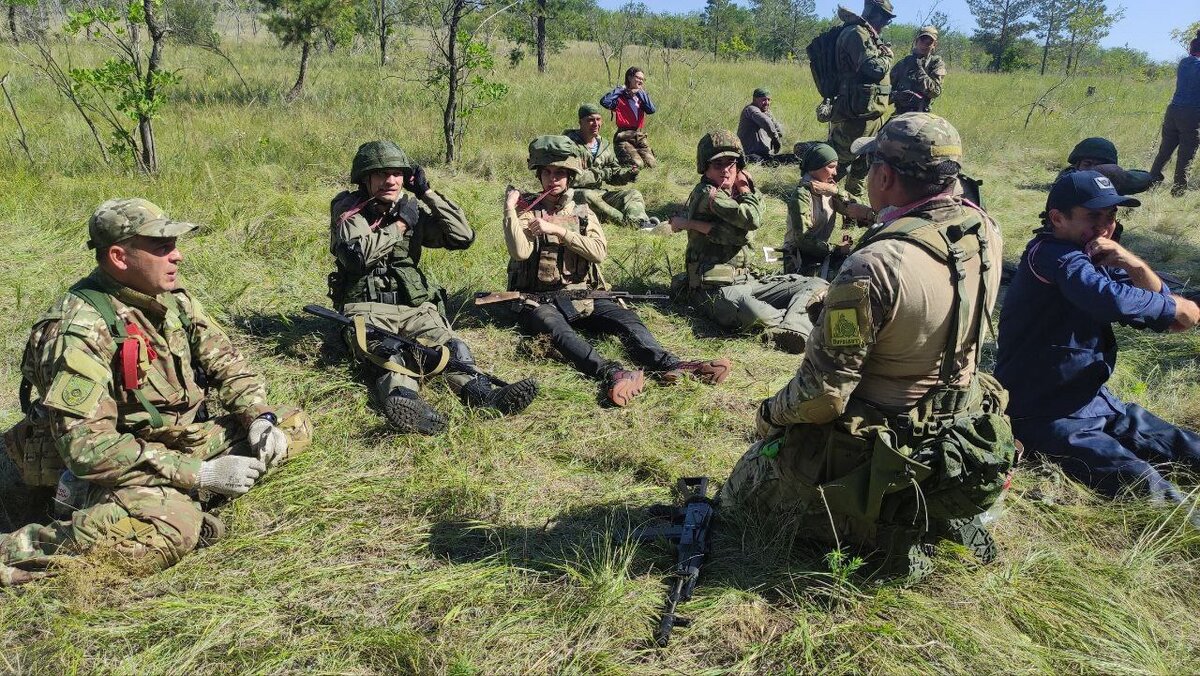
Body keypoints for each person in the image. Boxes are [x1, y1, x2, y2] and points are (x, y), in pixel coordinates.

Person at [720, 114, 1015, 581]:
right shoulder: (984, 229)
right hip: (957, 425)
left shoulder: (876, 265)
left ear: (885, 176)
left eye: (871, 164)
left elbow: (823, 396)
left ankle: (874, 526)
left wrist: (768, 414)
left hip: (883, 448)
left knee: (740, 491)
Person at [0, 198, 313, 587]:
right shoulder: (79, 330)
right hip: (109, 461)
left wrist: (259, 417)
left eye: (174, 245)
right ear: (119, 257)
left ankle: (178, 499)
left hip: (173, 438)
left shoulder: (171, 298)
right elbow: (86, 449)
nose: (177, 256)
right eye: (162, 247)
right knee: (169, 531)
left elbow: (228, 363)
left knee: (290, 425)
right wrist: (201, 473)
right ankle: (19, 549)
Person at [995, 170, 1200, 509]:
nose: (1105, 227)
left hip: (1094, 402)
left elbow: (1155, 306)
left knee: (1188, 448)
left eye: (1111, 216)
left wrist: (1134, 265)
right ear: (1057, 218)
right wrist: (1175, 307)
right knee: (1149, 487)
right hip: (1045, 412)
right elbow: (1108, 299)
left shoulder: (1096, 255)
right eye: (1093, 216)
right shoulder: (1050, 255)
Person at [503, 135, 730, 406]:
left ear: (570, 176)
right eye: (547, 173)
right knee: (556, 330)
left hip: (582, 295)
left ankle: (671, 364)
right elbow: (520, 252)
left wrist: (559, 231)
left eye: (560, 173)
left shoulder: (583, 213)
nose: (553, 179)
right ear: (539, 175)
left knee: (626, 319)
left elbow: (598, 252)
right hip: (539, 300)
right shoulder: (527, 211)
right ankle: (612, 373)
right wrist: (510, 210)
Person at [329, 140, 537, 435]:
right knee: (391, 353)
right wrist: (400, 225)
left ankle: (484, 395)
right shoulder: (350, 209)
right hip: (366, 309)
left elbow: (462, 236)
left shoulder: (408, 209)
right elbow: (356, 257)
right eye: (382, 174)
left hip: (414, 307)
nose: (391, 181)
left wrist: (427, 193)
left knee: (453, 348)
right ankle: (407, 404)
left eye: (397, 174)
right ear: (365, 179)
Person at [670, 130, 828, 355]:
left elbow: (757, 211)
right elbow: (752, 220)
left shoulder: (733, 192)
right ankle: (798, 323)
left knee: (814, 284)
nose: (726, 170)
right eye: (717, 164)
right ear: (705, 167)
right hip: (715, 288)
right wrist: (745, 190)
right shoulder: (708, 194)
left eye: (731, 163)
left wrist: (692, 223)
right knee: (755, 312)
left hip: (748, 279)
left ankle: (792, 327)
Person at [828, 0, 895, 202]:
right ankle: (813, 197)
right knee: (838, 160)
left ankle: (852, 202)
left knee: (865, 159)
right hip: (856, 114)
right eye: (884, 19)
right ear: (874, 13)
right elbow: (873, 69)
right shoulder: (856, 33)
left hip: (869, 112)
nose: (885, 24)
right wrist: (888, 58)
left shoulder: (867, 34)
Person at [782, 142, 876, 278]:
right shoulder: (802, 196)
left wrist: (836, 191)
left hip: (821, 257)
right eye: (831, 167)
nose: (835, 172)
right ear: (815, 166)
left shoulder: (828, 189)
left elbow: (859, 210)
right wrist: (837, 249)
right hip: (799, 263)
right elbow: (803, 240)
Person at [563, 103, 658, 230]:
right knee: (587, 195)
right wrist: (604, 173)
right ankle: (630, 223)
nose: (595, 124)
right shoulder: (567, 144)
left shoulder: (604, 145)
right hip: (572, 194)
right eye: (590, 120)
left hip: (598, 193)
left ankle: (642, 222)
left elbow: (613, 174)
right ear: (580, 122)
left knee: (633, 194)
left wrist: (628, 174)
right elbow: (571, 178)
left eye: (598, 119)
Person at [1149, 32, 1200, 196]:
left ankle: (1151, 181)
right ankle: (1178, 190)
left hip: (1173, 110)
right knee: (1186, 154)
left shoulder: (1184, 63)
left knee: (1165, 150)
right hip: (1191, 113)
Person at [600, 66, 657, 169]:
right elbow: (605, 102)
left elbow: (651, 110)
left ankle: (633, 156)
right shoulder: (619, 98)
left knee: (651, 165)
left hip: (639, 136)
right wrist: (621, 89)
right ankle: (620, 160)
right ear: (630, 78)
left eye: (642, 79)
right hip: (624, 136)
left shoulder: (641, 97)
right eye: (638, 78)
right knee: (637, 164)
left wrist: (639, 92)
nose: (641, 81)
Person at [1058, 137, 1154, 196]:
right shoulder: (1068, 178)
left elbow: (1146, 179)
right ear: (1076, 165)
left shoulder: (1110, 180)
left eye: (1100, 165)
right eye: (1087, 164)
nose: (1092, 170)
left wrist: (1119, 176)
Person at [889, 26, 945, 115]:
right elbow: (887, 90)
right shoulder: (904, 63)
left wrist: (918, 70)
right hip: (900, 113)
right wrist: (897, 95)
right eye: (922, 40)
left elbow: (935, 92)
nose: (924, 45)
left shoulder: (935, 64)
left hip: (922, 114)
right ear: (916, 41)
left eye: (929, 42)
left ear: (934, 44)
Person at [737, 88, 795, 165]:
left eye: (768, 100)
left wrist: (778, 139)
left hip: (764, 154)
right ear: (755, 99)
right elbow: (765, 121)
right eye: (763, 100)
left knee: (794, 158)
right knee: (757, 160)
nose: (767, 103)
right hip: (750, 154)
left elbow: (777, 129)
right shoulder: (750, 109)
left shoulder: (766, 112)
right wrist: (774, 138)